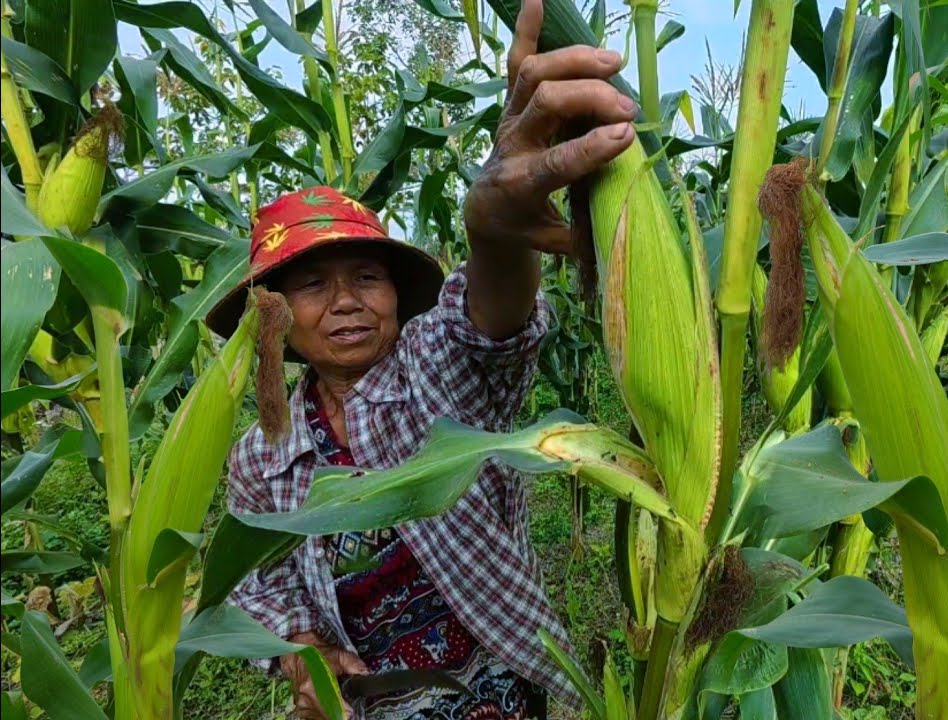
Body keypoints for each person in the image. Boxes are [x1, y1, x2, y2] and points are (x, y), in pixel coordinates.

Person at [202, 2, 638, 717]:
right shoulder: (261, 456)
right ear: (273, 315)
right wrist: (301, 649)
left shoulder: (429, 371)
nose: (346, 301)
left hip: (493, 683)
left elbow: (489, 324)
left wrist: (497, 234)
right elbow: (263, 581)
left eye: (367, 278)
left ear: (398, 297)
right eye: (313, 284)